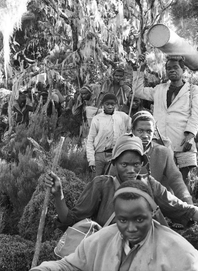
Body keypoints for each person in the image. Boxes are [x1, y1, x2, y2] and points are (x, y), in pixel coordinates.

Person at [30, 180, 198, 271]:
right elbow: (70, 266)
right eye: (123, 220)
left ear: (153, 214)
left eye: (139, 220)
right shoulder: (101, 239)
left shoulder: (182, 256)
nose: (131, 228)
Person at [45, 134, 198, 233]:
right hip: (108, 258)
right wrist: (59, 195)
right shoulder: (101, 186)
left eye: (136, 165)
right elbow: (69, 220)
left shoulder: (150, 185)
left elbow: (181, 209)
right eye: (124, 165)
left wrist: (194, 211)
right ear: (115, 164)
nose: (131, 170)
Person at [133, 55, 198, 186]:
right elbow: (137, 91)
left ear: (183, 70)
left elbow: (195, 114)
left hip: (182, 140)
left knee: (182, 180)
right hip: (159, 139)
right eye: (168, 68)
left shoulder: (193, 90)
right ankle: (161, 205)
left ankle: (183, 205)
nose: (172, 70)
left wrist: (190, 136)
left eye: (175, 67)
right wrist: (140, 70)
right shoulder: (159, 89)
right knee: (159, 178)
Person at [131, 110, 193, 205]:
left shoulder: (163, 152)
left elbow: (175, 179)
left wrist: (188, 203)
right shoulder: (124, 152)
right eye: (140, 131)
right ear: (132, 131)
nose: (145, 136)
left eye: (149, 131)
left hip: (156, 205)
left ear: (154, 132)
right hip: (128, 203)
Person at [86, 93, 131, 176]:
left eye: (112, 104)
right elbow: (90, 140)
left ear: (116, 105)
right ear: (103, 104)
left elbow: (133, 127)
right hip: (99, 155)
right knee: (96, 181)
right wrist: (91, 160)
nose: (110, 107)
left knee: (111, 181)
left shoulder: (123, 117)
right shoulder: (97, 119)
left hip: (115, 155)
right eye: (107, 104)